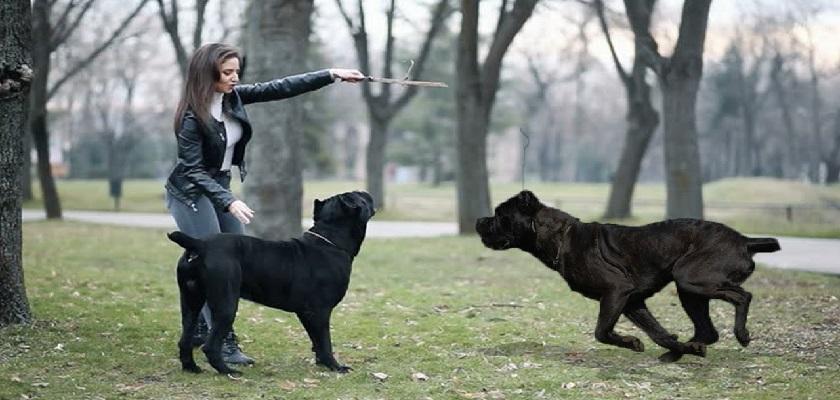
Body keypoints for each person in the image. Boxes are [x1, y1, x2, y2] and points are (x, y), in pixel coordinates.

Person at [165, 42, 365, 364]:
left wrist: (331, 74)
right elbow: (192, 168)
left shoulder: (234, 98)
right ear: (207, 74)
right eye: (227, 72)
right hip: (190, 192)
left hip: (219, 185)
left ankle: (208, 331)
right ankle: (221, 340)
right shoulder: (191, 117)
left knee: (233, 264)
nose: (234, 78)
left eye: (237, 72)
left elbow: (281, 87)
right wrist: (228, 201)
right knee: (212, 259)